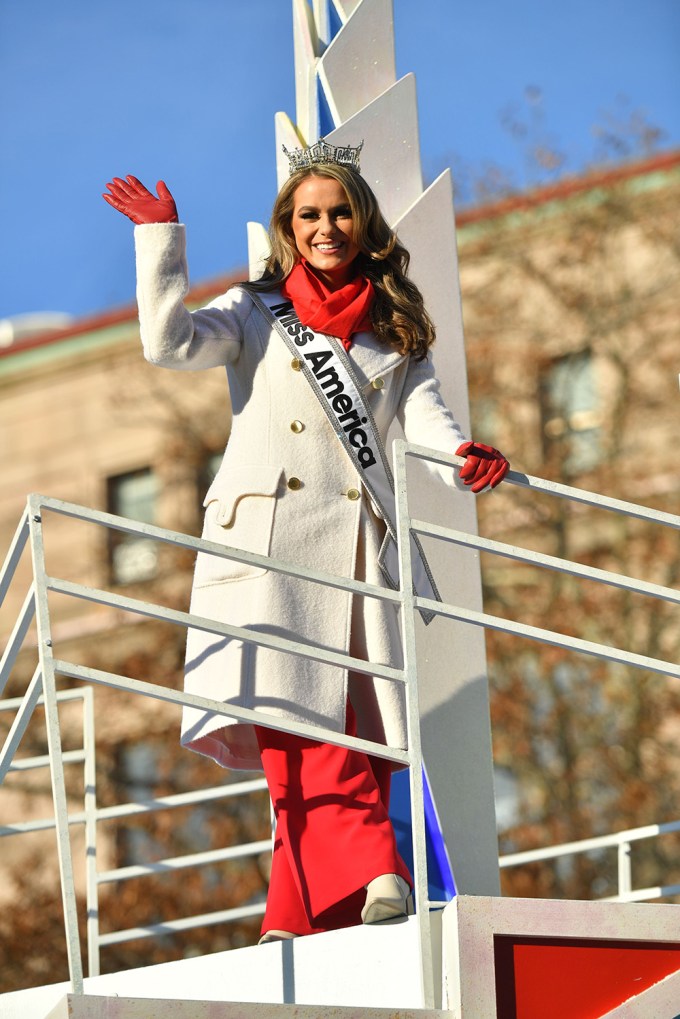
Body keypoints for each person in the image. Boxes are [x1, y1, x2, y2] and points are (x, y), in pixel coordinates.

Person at [102, 141, 509, 944]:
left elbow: (427, 432)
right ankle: (373, 869)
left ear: (363, 222)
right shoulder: (255, 311)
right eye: (309, 215)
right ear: (290, 227)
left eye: (339, 212)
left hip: (357, 553)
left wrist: (466, 461)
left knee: (342, 730)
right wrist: (162, 244)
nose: (326, 227)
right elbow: (170, 344)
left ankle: (294, 920)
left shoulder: (397, 332)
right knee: (301, 720)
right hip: (269, 551)